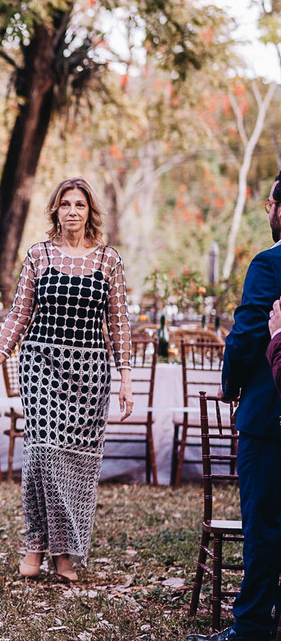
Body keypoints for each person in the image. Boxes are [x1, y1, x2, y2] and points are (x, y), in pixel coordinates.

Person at [0, 177, 132, 583]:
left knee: (76, 463)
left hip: (90, 372)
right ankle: (35, 544)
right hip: (41, 363)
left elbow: (117, 321)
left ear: (89, 212)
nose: (72, 212)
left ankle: (65, 553)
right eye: (65, 204)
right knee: (42, 453)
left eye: (79, 205)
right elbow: (18, 315)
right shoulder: (38, 255)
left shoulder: (108, 261)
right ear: (55, 211)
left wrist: (126, 378)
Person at [189, 175, 281, 641]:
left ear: (278, 209)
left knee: (263, 524)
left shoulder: (270, 264)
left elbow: (247, 336)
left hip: (270, 416)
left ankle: (250, 628)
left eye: (269, 203)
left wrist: (229, 384)